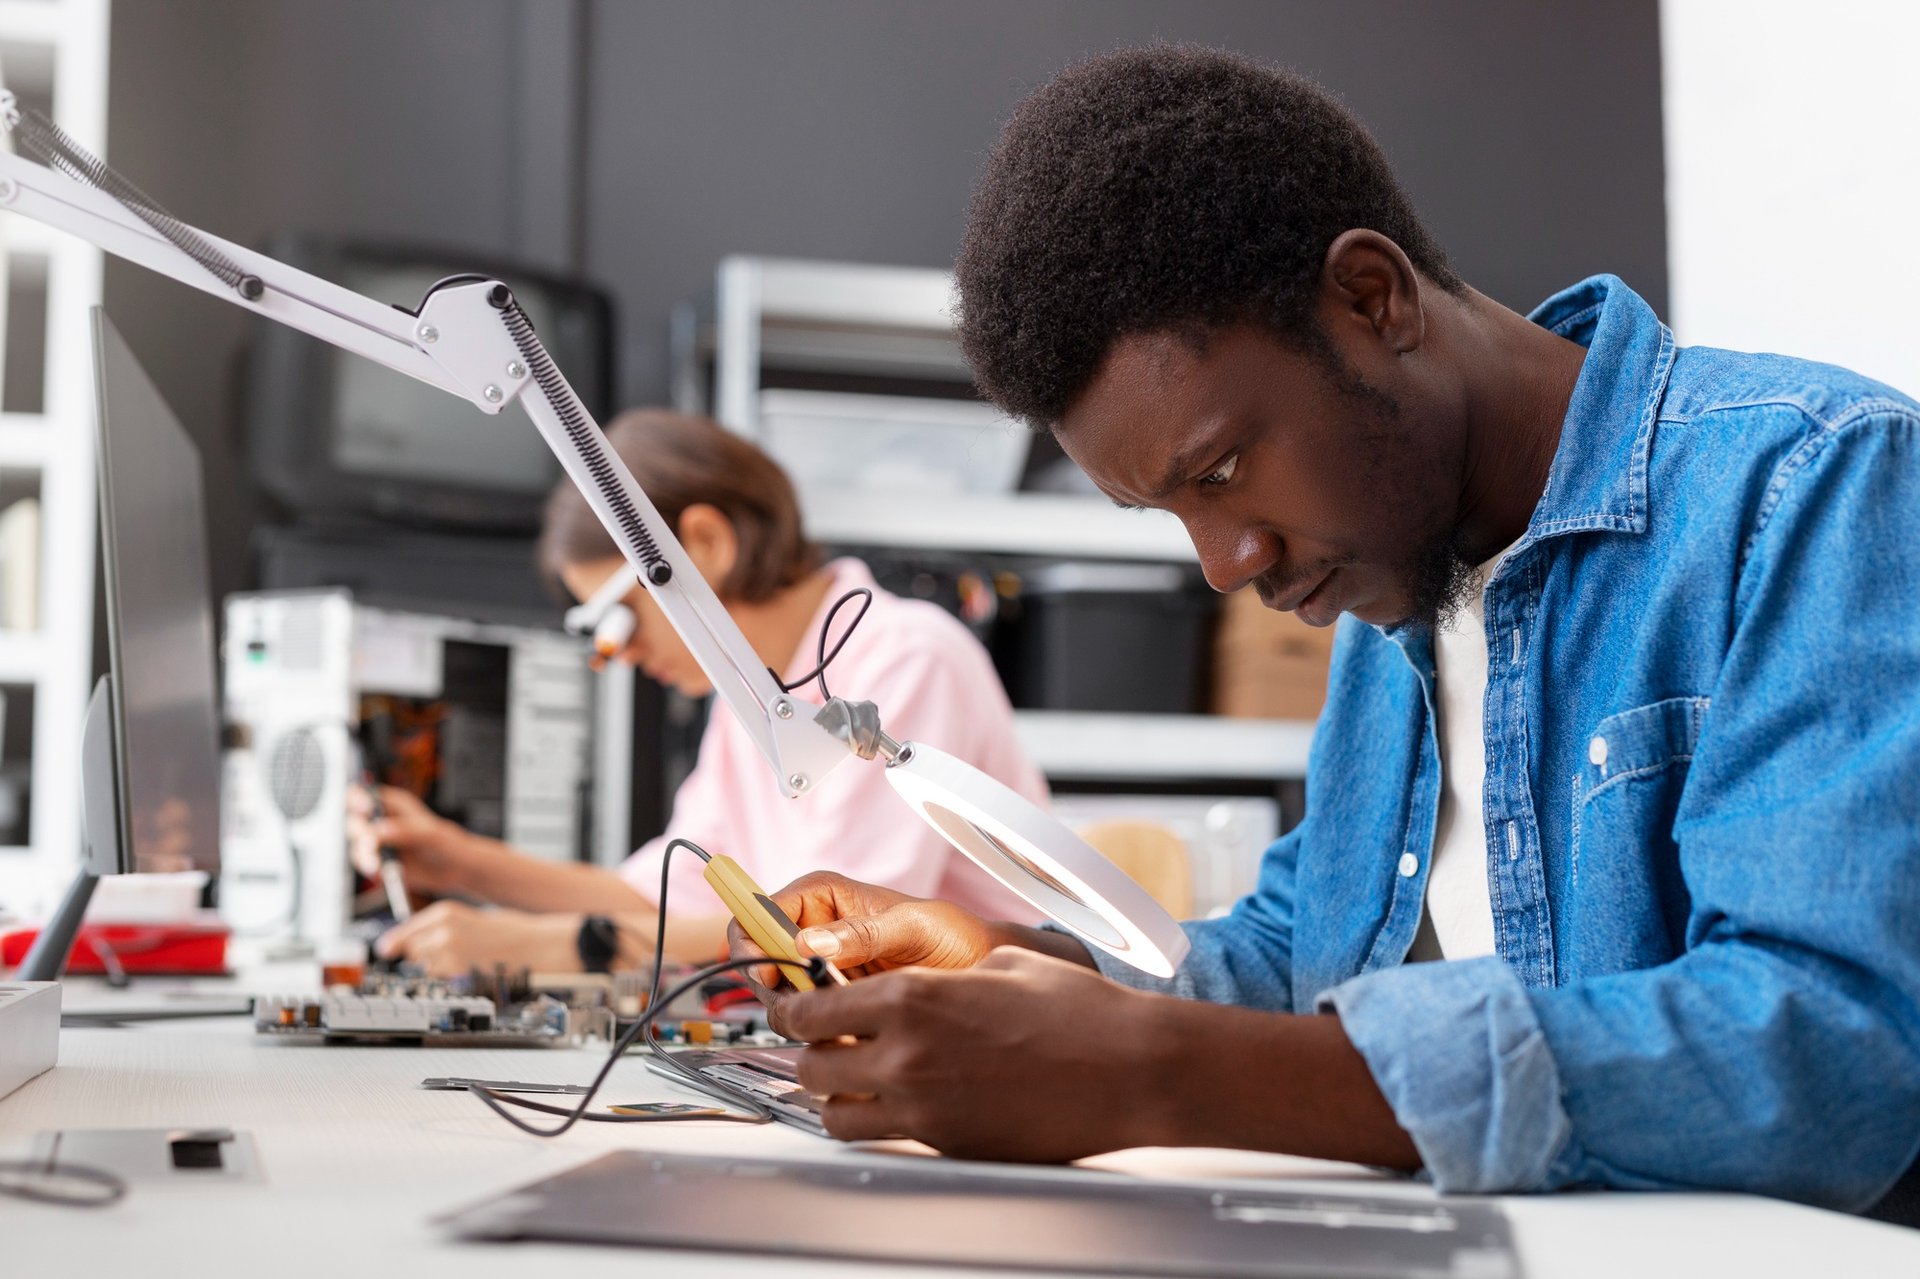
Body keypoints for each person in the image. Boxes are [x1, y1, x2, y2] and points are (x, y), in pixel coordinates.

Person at [733, 46, 1920, 1220]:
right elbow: (1305, 947)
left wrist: (1156, 1073)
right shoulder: (1393, 583)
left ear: (1372, 299)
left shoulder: (1813, 485)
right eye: (1171, 513)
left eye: (1225, 468)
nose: (1225, 563)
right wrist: (1025, 963)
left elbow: (1827, 1049)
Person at [355, 409, 1045, 976]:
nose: (616, 654)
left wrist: (563, 947)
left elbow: (832, 935)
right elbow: (661, 895)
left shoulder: (907, 657)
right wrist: (454, 858)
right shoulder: (755, 698)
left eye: (616, 618)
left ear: (706, 543)